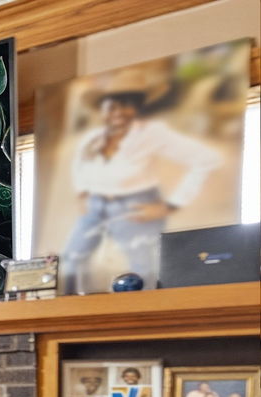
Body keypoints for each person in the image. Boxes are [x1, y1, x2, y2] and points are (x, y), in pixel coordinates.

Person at [61, 70, 222, 294]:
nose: (118, 112)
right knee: (72, 259)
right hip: (95, 205)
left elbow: (207, 159)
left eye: (125, 105)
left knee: (143, 268)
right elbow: (79, 165)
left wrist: (170, 205)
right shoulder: (92, 139)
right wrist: (82, 193)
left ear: (136, 108)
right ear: (104, 110)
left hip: (134, 204)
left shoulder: (153, 134)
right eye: (112, 106)